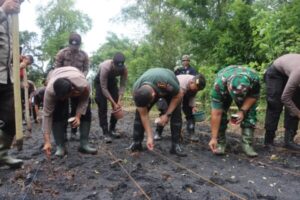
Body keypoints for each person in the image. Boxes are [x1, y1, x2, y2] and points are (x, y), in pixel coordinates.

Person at [129, 68, 186, 157]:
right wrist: (149, 137)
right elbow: (144, 115)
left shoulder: (166, 83)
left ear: (153, 95)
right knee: (139, 115)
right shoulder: (136, 89)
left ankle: (175, 145)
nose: (149, 106)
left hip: (172, 92)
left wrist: (167, 114)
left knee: (176, 114)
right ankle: (136, 143)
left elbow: (179, 95)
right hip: (151, 88)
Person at [43, 67, 97, 158]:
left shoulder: (83, 85)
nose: (62, 99)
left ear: (72, 91)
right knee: (57, 113)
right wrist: (47, 142)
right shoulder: (50, 91)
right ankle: (60, 146)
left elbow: (84, 101)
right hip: (57, 75)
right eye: (60, 97)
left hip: (75, 76)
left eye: (64, 97)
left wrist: (78, 116)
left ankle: (84, 144)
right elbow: (47, 115)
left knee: (86, 111)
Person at [208, 65, 260, 157]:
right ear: (228, 87)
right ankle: (220, 142)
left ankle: (247, 144)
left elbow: (253, 96)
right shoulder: (218, 86)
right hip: (224, 88)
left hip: (246, 92)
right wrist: (213, 138)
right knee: (222, 113)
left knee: (250, 112)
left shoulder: (254, 79)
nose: (237, 98)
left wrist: (242, 111)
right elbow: (216, 114)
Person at [0, 0, 24, 168]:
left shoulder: (10, 18)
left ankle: (2, 153)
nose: (19, 3)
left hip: (6, 76)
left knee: (13, 116)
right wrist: (2, 11)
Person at [54, 32, 89, 138]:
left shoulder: (84, 55)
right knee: (63, 109)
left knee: (76, 107)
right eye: (72, 45)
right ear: (69, 43)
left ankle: (74, 131)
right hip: (64, 85)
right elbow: (57, 68)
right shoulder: (62, 53)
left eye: (76, 45)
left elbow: (86, 69)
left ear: (79, 44)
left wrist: (81, 78)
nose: (74, 47)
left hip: (77, 85)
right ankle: (63, 132)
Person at [154, 74, 206, 142]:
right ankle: (158, 132)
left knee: (190, 113)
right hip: (169, 94)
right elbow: (177, 102)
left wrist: (193, 106)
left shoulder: (196, 84)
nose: (197, 91)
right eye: (196, 89)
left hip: (184, 94)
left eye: (198, 90)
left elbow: (192, 96)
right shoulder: (181, 84)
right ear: (191, 82)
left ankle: (191, 134)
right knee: (165, 112)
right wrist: (178, 130)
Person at [264, 54, 300, 150]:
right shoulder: (298, 73)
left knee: (296, 103)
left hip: (291, 71)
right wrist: (298, 113)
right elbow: (285, 98)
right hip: (276, 72)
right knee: (275, 104)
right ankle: (268, 141)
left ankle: (289, 141)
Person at [94, 52, 128, 143]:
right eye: (116, 67)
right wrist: (113, 102)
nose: (118, 69)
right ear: (113, 63)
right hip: (100, 83)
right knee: (102, 105)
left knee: (117, 106)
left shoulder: (124, 69)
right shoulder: (105, 67)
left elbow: (123, 85)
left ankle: (112, 129)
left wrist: (118, 101)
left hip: (112, 82)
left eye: (120, 68)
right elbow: (104, 88)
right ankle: (105, 132)